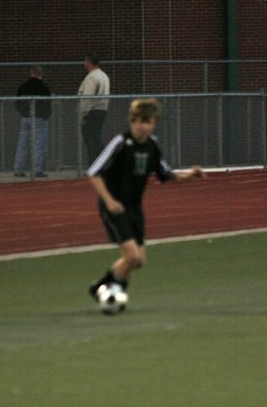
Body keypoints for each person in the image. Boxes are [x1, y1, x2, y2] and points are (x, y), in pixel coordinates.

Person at [87, 98, 204, 303]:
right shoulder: (121, 143)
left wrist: (190, 175)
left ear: (154, 123)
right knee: (132, 257)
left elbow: (165, 173)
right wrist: (109, 201)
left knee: (139, 260)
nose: (143, 126)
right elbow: (94, 172)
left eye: (148, 122)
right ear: (132, 121)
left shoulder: (152, 146)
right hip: (114, 206)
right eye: (140, 121)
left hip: (134, 208)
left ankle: (101, 287)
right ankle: (109, 294)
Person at [13, 65, 52, 178]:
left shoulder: (23, 86)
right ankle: (37, 170)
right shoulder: (43, 87)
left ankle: (18, 169)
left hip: (25, 118)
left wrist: (23, 112)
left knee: (23, 144)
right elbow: (47, 104)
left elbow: (17, 102)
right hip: (39, 118)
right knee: (38, 144)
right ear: (41, 74)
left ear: (31, 73)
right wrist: (45, 115)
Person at [78, 54, 110, 165]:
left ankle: (105, 159)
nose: (84, 64)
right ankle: (96, 164)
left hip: (92, 111)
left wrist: (83, 113)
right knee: (95, 137)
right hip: (102, 110)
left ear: (90, 62)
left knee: (91, 140)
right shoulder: (104, 76)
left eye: (85, 61)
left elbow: (87, 97)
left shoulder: (91, 77)